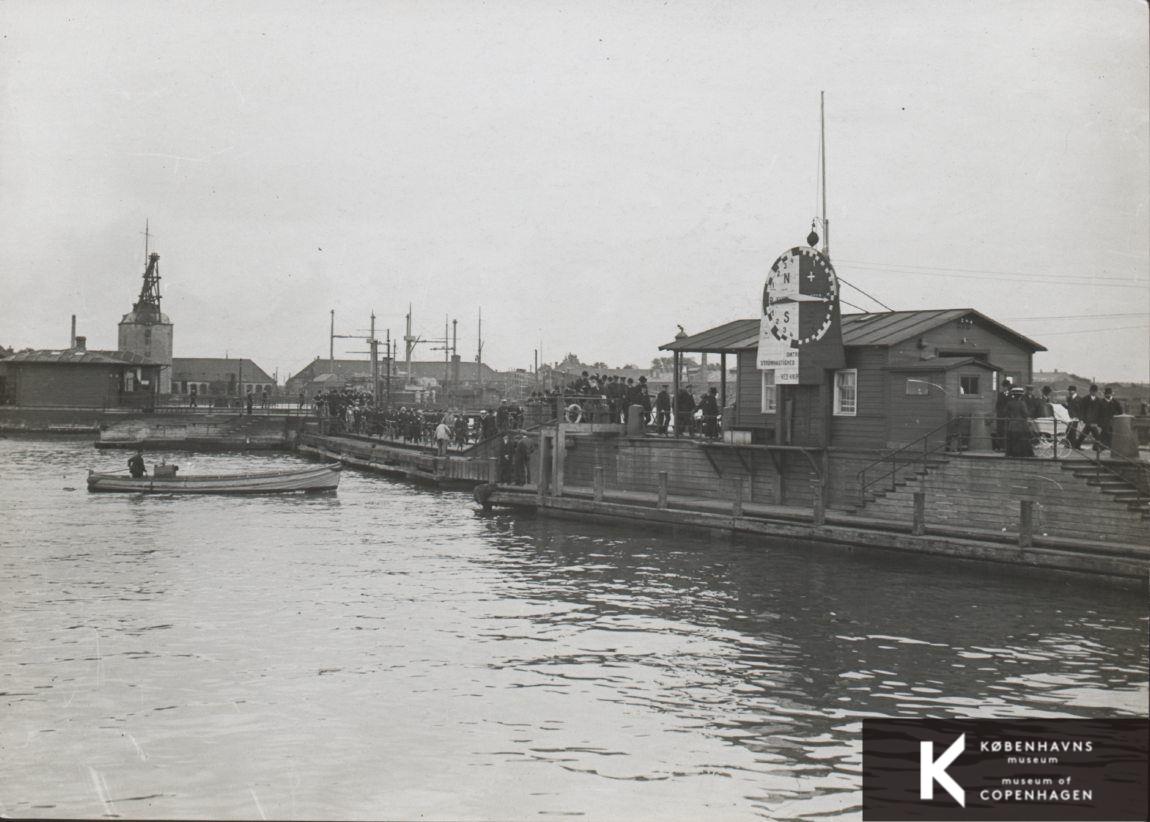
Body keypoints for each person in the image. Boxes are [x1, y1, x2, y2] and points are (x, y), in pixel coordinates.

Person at [1003, 387, 1034, 457]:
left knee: (1012, 439)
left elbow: (1005, 412)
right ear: (1021, 395)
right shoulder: (1022, 403)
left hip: (1012, 424)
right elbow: (1025, 414)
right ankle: (1023, 453)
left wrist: (1011, 416)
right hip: (1021, 424)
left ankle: (1012, 453)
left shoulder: (1009, 403)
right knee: (1023, 439)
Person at [994, 378, 1012, 451]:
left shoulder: (1011, 395)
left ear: (1008, 387)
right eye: (1003, 387)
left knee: (1007, 431)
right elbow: (998, 405)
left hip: (1008, 416)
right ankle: (1000, 447)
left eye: (1005, 387)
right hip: (1000, 416)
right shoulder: (1000, 394)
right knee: (1000, 431)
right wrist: (997, 412)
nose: (1004, 388)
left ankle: (1007, 447)